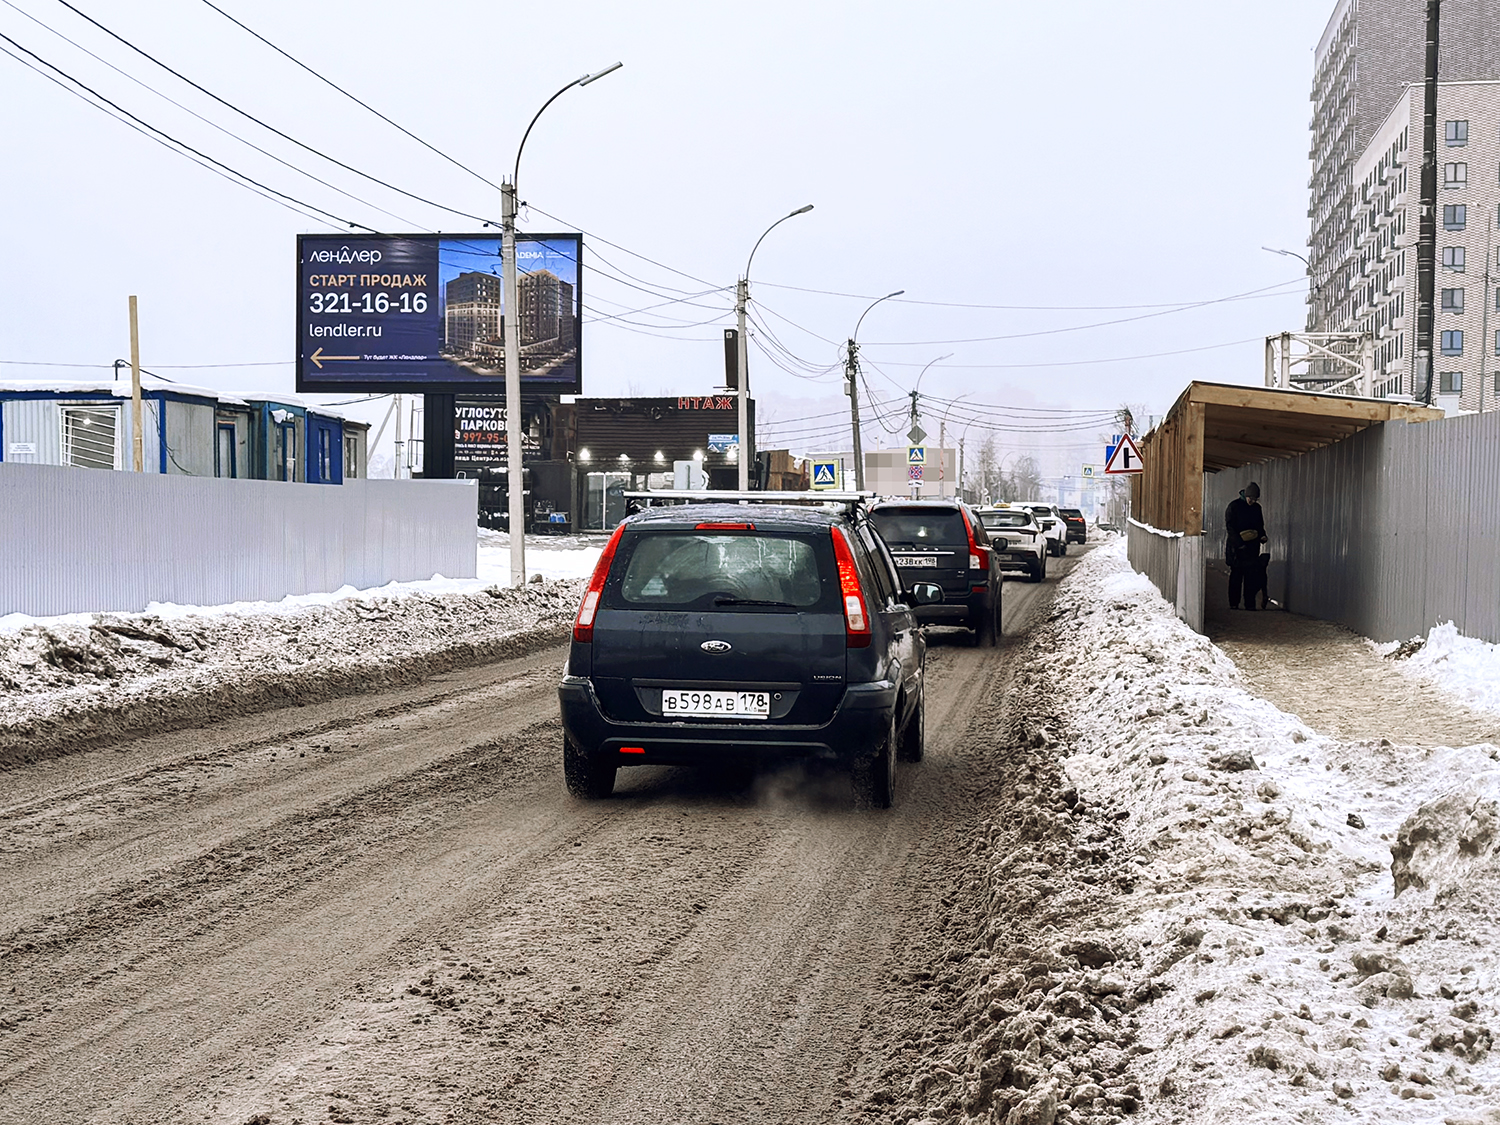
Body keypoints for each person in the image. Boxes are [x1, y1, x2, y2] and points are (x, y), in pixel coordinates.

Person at [1224, 481, 1267, 610]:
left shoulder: (1257, 508)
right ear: (1245, 495)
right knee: (1236, 576)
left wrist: (1262, 535)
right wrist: (1239, 543)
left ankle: (1249, 603)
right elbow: (1230, 527)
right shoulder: (1234, 507)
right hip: (1236, 548)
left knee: (1250, 577)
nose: (1252, 501)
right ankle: (1234, 603)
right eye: (1250, 498)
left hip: (1251, 548)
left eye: (1254, 499)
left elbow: (1260, 525)